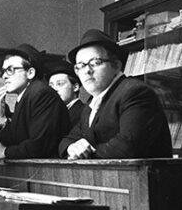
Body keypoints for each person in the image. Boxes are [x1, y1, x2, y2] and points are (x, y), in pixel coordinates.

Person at [59, 29, 171, 159]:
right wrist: (72, 148)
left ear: (116, 65)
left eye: (95, 63)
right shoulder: (92, 103)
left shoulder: (135, 92)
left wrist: (85, 155)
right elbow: (67, 140)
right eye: (81, 66)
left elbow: (127, 147)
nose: (87, 71)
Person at [0, 44, 70, 164]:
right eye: (3, 71)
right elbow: (16, 141)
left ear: (30, 73)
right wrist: (0, 114)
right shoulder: (25, 96)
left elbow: (38, 146)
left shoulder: (41, 93)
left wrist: (4, 152)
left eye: (10, 70)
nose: (4, 76)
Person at [47, 60, 86, 125]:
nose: (54, 89)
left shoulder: (84, 112)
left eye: (60, 84)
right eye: (51, 86)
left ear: (75, 87)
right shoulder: (52, 113)